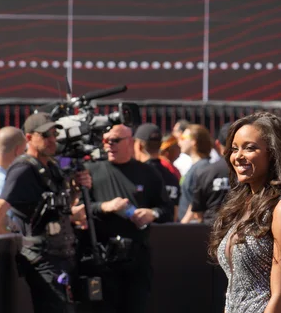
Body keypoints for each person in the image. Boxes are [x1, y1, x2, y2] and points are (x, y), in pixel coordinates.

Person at [0, 113, 91, 313]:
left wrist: (77, 188)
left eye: (54, 134)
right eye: (45, 135)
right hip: (42, 257)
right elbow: (0, 205)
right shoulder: (23, 168)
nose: (52, 139)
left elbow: (62, 207)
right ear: (29, 138)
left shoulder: (52, 166)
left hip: (63, 254)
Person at [209, 112, 281, 313]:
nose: (238, 156)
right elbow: (234, 290)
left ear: (273, 153)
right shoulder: (242, 203)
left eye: (250, 148)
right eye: (234, 149)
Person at [86, 124, 173, 313]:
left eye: (115, 140)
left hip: (136, 258)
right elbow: (77, 211)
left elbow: (166, 210)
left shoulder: (148, 173)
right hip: (102, 259)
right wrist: (105, 206)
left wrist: (152, 214)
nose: (109, 145)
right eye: (106, 141)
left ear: (131, 142)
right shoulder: (90, 171)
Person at [133, 123, 181, 222]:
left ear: (138, 146)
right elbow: (175, 214)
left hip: (143, 233)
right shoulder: (171, 174)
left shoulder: (136, 174)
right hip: (168, 233)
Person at [190, 123, 231, 225]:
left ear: (217, 144)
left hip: (211, 229)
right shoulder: (250, 172)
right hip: (239, 230)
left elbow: (198, 213)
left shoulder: (205, 172)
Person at [178, 124, 213, 222]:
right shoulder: (197, 166)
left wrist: (183, 224)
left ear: (194, 141)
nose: (179, 141)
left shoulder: (202, 167)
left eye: (183, 137)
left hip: (190, 226)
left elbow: (196, 201)